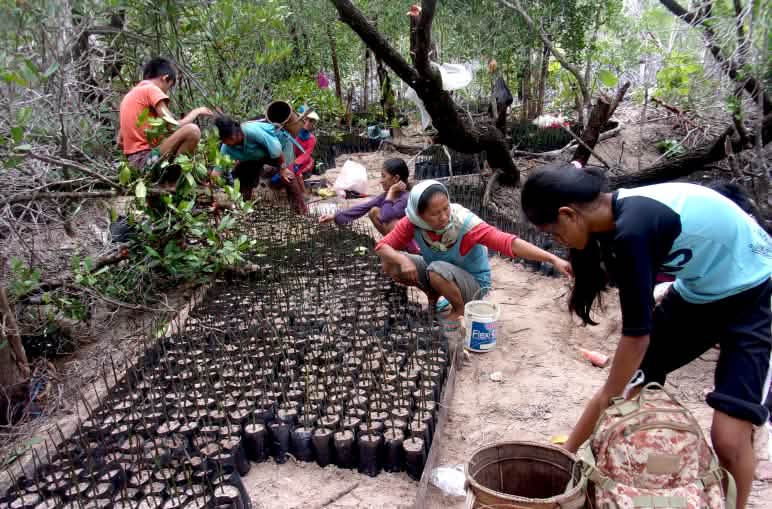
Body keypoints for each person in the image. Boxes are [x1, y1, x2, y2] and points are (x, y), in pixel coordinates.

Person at [520, 163, 772, 509]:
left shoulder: (634, 229)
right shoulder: (612, 225)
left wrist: (610, 393)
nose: (558, 242)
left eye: (554, 234)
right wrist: (568, 454)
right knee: (628, 392)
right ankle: (598, 470)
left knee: (728, 439)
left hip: (756, 294)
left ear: (568, 214)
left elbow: (637, 337)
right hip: (698, 295)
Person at [375, 180, 572, 329]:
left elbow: (508, 242)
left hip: (473, 283)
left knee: (436, 270)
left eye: (446, 208)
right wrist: (401, 259)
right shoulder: (412, 222)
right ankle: (432, 294)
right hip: (441, 274)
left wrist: (552, 258)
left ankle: (460, 310)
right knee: (391, 263)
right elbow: (382, 247)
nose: (444, 217)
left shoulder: (465, 224)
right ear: (420, 215)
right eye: (435, 214)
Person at [119, 58, 212, 178]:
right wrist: (196, 112)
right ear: (165, 78)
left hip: (133, 165)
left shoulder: (129, 96)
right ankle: (172, 178)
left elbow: (120, 140)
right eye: (169, 87)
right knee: (192, 131)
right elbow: (173, 126)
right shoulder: (151, 89)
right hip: (146, 162)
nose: (166, 92)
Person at [212, 115, 304, 213]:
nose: (223, 142)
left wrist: (283, 168)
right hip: (256, 156)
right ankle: (243, 207)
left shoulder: (251, 131)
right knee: (241, 172)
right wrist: (212, 188)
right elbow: (217, 171)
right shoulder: (226, 147)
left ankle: (300, 211)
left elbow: (277, 150)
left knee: (288, 177)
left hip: (280, 148)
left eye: (224, 139)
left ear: (232, 136)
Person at [319, 158, 411, 236]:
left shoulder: (405, 198)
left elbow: (386, 217)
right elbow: (364, 207)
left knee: (380, 214)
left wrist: (391, 192)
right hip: (400, 236)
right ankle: (391, 244)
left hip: (410, 241)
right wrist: (334, 216)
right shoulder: (390, 195)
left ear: (396, 178)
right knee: (373, 210)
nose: (381, 181)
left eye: (383, 176)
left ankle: (395, 246)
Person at [292, 107, 319, 178]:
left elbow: (306, 155)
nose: (307, 123)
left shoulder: (312, 139)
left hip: (302, 165)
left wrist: (295, 164)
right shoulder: (292, 132)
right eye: (306, 119)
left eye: (311, 121)